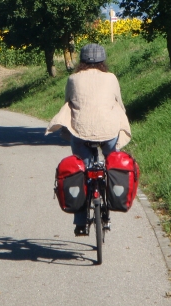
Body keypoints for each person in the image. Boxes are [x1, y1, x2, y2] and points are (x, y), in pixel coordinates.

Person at [46, 43, 131, 236]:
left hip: (81, 131)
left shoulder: (73, 78)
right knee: (112, 162)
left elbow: (68, 101)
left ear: (82, 61)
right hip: (109, 131)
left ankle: (80, 222)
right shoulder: (111, 78)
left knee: (82, 171)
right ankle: (112, 196)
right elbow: (118, 102)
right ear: (102, 60)